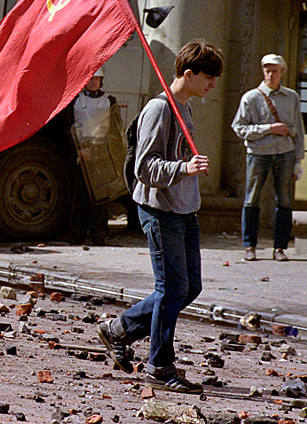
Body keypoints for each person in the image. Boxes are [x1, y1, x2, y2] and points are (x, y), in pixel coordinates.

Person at [97, 40, 223, 394]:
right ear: (188, 73)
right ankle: (159, 366)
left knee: (190, 287)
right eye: (208, 77)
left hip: (185, 209)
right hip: (159, 208)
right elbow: (144, 167)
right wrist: (184, 167)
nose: (213, 84)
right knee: (171, 289)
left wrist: (187, 172)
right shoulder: (160, 109)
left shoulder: (186, 107)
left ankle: (118, 329)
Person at [231, 54, 304, 262]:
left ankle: (280, 248)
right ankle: (249, 246)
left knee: (284, 201)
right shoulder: (251, 97)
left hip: (285, 154)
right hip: (258, 155)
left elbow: (297, 131)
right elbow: (239, 128)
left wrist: (298, 161)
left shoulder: (292, 98)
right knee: (251, 200)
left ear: (282, 72)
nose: (271, 75)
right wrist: (268, 128)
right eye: (267, 70)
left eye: (275, 70)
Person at [66, 67, 116, 245]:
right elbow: (67, 128)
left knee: (101, 198)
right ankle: (76, 234)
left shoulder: (109, 100)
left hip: (101, 153)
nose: (93, 82)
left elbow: (115, 129)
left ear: (101, 81)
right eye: (90, 78)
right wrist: (77, 151)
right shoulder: (75, 101)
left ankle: (98, 234)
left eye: (97, 79)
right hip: (82, 153)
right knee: (80, 197)